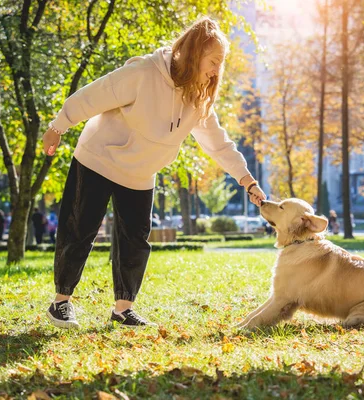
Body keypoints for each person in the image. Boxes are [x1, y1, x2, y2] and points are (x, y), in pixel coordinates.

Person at [42, 17, 267, 329]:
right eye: (214, 61)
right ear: (195, 53)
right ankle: (61, 302)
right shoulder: (144, 73)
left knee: (135, 238)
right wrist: (58, 125)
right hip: (99, 158)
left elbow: (219, 144)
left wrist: (247, 180)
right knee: (80, 228)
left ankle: (123, 309)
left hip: (140, 171)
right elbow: (95, 94)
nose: (217, 71)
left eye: (221, 64)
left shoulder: (196, 98)